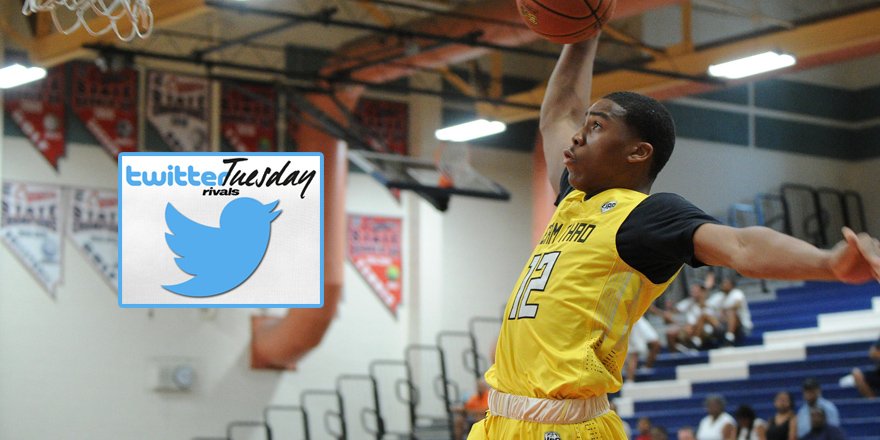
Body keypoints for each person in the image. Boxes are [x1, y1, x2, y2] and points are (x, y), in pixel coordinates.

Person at [466, 32, 880, 440]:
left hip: (563, 425)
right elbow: (559, 113)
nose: (577, 135)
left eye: (596, 126)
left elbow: (740, 245)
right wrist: (583, 33)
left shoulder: (646, 214)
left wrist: (828, 263)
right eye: (585, 124)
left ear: (638, 152)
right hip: (498, 420)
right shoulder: (573, 198)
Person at [707, 277, 753, 346]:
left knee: (731, 312)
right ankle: (698, 340)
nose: (724, 285)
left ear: (731, 285)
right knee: (705, 315)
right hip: (723, 324)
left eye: (726, 283)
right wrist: (707, 290)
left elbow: (737, 304)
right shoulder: (719, 296)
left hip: (741, 326)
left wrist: (724, 310)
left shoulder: (737, 293)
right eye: (723, 283)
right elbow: (706, 305)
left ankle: (729, 338)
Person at [626, 317, 661, 382]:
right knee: (633, 354)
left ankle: (647, 367)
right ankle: (629, 381)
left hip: (638, 318)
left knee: (656, 343)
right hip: (631, 320)